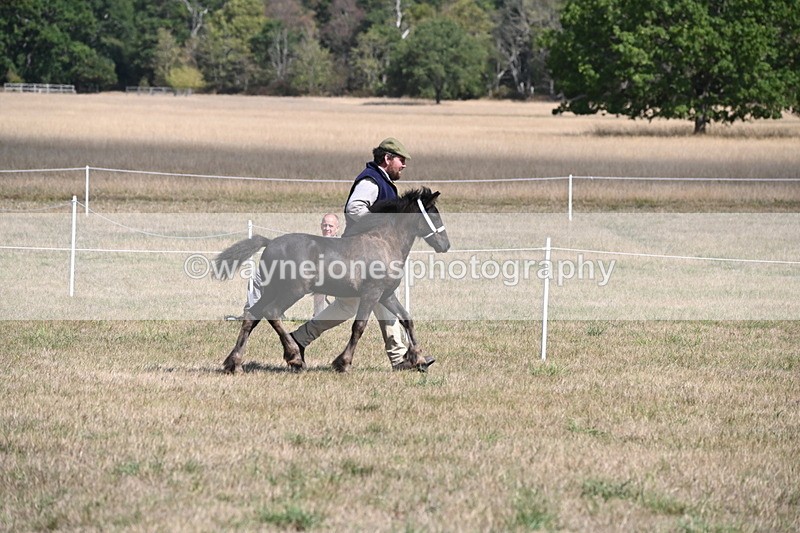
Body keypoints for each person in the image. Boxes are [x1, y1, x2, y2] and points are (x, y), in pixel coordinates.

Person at [289, 137, 435, 371]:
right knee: (368, 303)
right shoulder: (371, 181)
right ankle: (400, 359)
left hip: (372, 258)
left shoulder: (386, 183)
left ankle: (300, 338)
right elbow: (354, 208)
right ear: (387, 159)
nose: (404, 165)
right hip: (357, 256)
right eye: (401, 160)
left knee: (355, 305)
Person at [228, 213, 340, 320]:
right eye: (325, 225)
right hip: (302, 274)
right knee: (257, 276)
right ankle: (251, 311)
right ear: (321, 226)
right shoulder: (315, 242)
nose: (327, 228)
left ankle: (318, 318)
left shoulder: (340, 245)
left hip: (326, 279)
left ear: (337, 228)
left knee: (318, 286)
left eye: (330, 226)